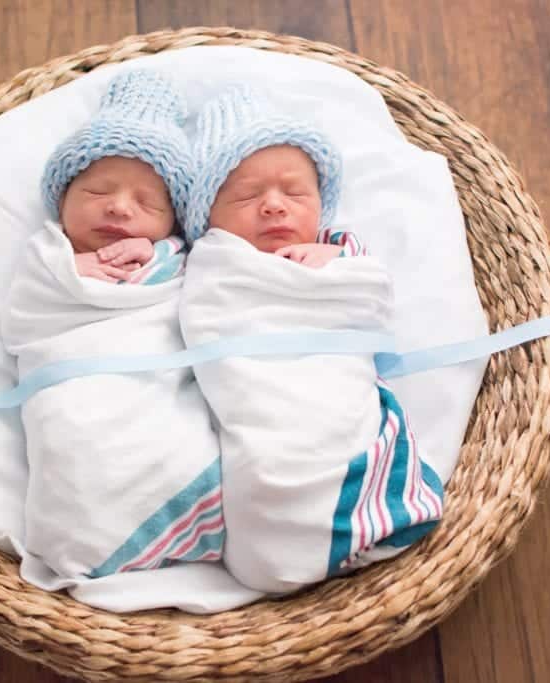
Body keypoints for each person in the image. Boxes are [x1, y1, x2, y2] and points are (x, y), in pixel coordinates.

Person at [179, 85, 445, 594]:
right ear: (207, 221)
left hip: (335, 402)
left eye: (294, 193)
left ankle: (360, 511)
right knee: (263, 472)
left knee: (343, 424)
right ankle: (291, 539)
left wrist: (336, 269)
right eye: (246, 196)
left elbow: (371, 300)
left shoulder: (340, 252)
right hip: (263, 428)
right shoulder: (213, 266)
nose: (274, 207)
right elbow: (203, 322)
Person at [1, 69, 224, 591]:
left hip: (157, 397)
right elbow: (24, 319)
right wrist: (70, 275)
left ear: (173, 225)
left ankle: (195, 514)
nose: (120, 206)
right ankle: (91, 538)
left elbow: (208, 308)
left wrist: (158, 260)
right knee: (75, 454)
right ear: (61, 202)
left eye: (147, 204)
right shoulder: (45, 259)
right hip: (75, 398)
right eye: (98, 190)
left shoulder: (176, 258)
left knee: (188, 448)